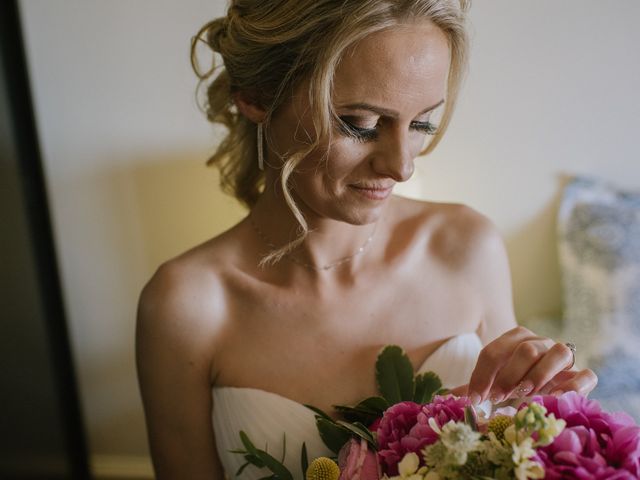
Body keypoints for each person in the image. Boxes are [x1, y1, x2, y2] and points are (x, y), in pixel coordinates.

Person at [136, 1, 597, 478]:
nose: (403, 166)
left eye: (421, 124)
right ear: (255, 95)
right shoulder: (184, 306)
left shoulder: (466, 246)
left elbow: (512, 436)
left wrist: (549, 401)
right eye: (360, 123)